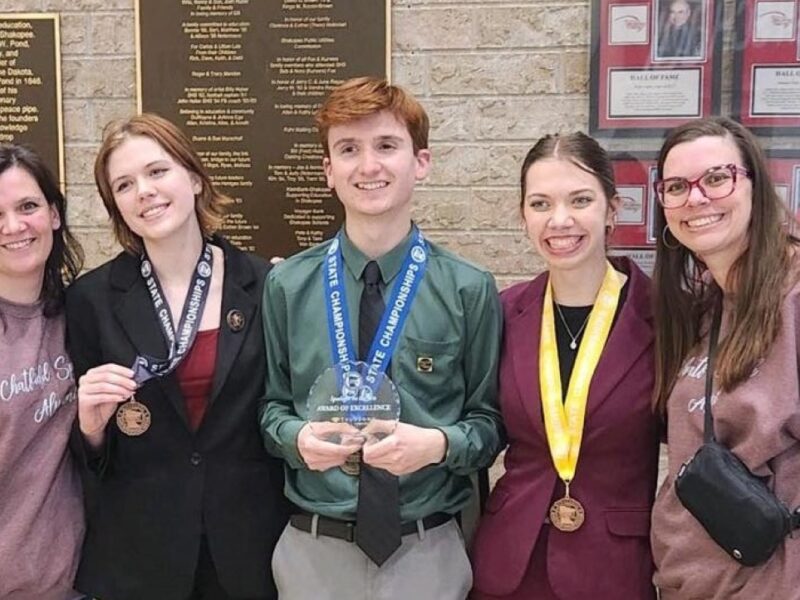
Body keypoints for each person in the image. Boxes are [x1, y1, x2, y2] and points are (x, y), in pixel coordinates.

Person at [259, 76, 503, 599]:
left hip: (427, 548)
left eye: (387, 146)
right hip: (313, 550)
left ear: (421, 162)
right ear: (329, 171)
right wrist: (295, 439)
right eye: (348, 149)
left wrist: (438, 444)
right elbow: (270, 409)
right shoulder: (287, 285)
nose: (368, 166)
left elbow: (490, 424)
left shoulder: (468, 288)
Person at [66, 113, 290, 600]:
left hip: (250, 550)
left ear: (193, 177)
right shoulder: (92, 300)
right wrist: (91, 428)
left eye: (157, 171)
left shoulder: (267, 286)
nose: (143, 191)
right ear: (116, 207)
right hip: (141, 554)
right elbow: (86, 458)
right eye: (124, 184)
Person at [470, 133, 660, 599]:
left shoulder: (664, 317)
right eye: (540, 203)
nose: (560, 220)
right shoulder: (503, 312)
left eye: (580, 200)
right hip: (510, 564)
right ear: (522, 217)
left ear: (612, 209)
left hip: (614, 568)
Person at [651, 117, 800, 598]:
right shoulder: (702, 307)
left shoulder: (793, 295)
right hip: (689, 582)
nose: (696, 199)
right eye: (677, 186)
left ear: (754, 183)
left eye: (717, 178)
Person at [0, 143, 85, 599]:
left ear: (53, 214)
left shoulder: (81, 315)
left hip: (74, 583)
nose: (14, 227)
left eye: (27, 206)